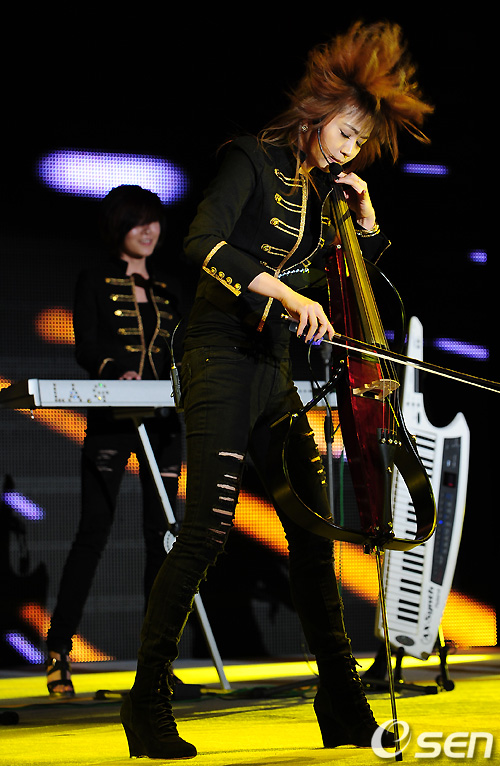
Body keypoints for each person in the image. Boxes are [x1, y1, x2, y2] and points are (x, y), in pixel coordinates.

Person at [120, 21, 433, 759]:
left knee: (314, 536)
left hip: (272, 369)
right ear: (317, 111)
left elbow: (344, 288)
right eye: (345, 132)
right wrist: (286, 296)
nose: (348, 149)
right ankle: (146, 701)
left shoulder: (323, 196)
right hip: (217, 355)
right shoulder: (251, 158)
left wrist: (366, 222)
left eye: (360, 142)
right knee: (207, 531)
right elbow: (202, 244)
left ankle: (343, 703)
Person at [45, 185, 183, 696]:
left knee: (163, 538)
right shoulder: (96, 280)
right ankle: (59, 651)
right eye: (137, 222)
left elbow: (183, 350)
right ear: (118, 227)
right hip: (112, 418)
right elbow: (86, 345)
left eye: (154, 221)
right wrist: (114, 371)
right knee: (94, 532)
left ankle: (157, 662)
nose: (149, 231)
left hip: (164, 423)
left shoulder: (168, 290)